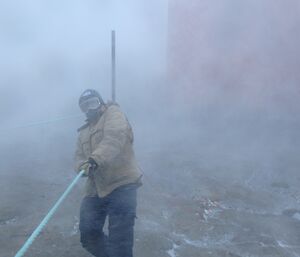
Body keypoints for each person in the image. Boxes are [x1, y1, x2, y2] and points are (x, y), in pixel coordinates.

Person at [74, 89, 142, 257]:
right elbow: (78, 157)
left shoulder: (114, 113)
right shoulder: (83, 132)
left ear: (101, 102)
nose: (90, 108)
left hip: (122, 185)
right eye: (85, 106)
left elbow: (115, 138)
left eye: (93, 103)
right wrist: (82, 167)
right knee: (88, 235)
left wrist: (95, 159)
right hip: (95, 189)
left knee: (120, 243)